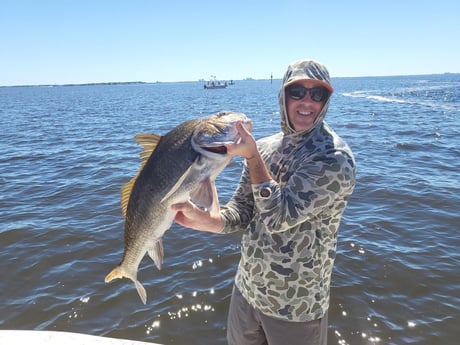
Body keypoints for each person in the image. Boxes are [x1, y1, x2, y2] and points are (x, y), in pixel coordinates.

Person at [173, 59, 356, 345]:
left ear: (325, 101)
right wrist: (212, 221)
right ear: (283, 96)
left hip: (296, 308)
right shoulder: (265, 146)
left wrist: (252, 157)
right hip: (247, 292)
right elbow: (243, 211)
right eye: (297, 92)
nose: (307, 101)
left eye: (317, 94)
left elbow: (277, 217)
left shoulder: (334, 158)